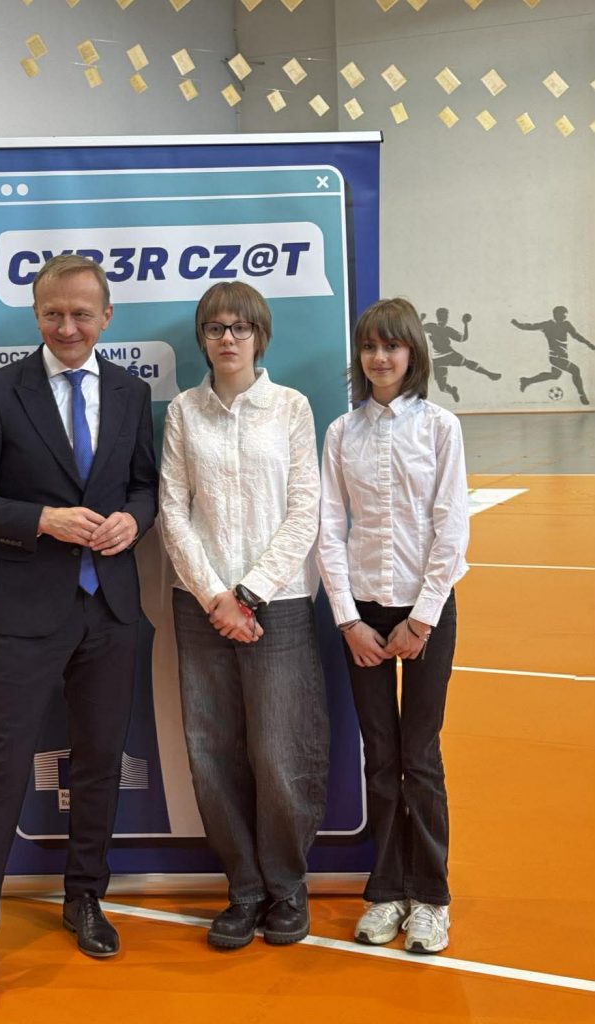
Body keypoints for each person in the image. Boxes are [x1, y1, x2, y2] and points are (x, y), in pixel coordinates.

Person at [0, 255, 158, 1005]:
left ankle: (84, 898)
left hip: (110, 611)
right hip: (25, 617)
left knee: (98, 763)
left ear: (106, 317)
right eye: (53, 314)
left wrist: (134, 519)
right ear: (35, 315)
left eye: (81, 314)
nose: (67, 327)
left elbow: (144, 484)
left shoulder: (130, 392)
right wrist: (42, 520)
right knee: (0, 774)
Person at [159, 281, 330, 951]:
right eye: (214, 328)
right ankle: (245, 889)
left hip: (277, 606)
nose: (227, 338)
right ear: (202, 339)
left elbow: (305, 511)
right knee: (212, 753)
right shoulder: (183, 411)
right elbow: (172, 512)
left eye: (240, 327)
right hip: (200, 607)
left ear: (260, 336)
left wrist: (250, 594)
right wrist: (215, 598)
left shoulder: (290, 407)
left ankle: (286, 886)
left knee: (281, 753)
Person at [317, 297, 469, 955]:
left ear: (412, 353)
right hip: (363, 615)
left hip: (425, 611)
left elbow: (451, 526)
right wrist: (348, 620)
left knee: (419, 756)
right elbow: (327, 528)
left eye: (392, 346)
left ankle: (430, 898)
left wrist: (422, 619)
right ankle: (385, 892)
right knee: (379, 756)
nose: (380, 358)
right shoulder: (341, 432)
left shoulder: (439, 427)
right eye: (370, 347)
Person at [512, 305, 594, 405]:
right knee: (576, 370)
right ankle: (582, 396)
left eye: (565, 315)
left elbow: (577, 336)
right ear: (556, 314)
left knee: (555, 375)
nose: (565, 317)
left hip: (563, 357)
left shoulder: (566, 324)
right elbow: (530, 326)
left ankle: (527, 381)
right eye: (563, 315)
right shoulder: (547, 325)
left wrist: (590, 344)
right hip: (555, 358)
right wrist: (517, 324)